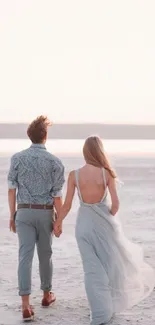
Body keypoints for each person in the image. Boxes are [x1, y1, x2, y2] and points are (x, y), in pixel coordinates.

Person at [54, 135, 155, 325]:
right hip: (104, 227)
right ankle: (108, 308)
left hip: (83, 227)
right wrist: (106, 214)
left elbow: (66, 205)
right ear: (100, 152)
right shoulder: (106, 173)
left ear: (85, 152)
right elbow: (116, 205)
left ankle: (98, 312)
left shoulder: (74, 175)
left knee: (91, 270)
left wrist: (58, 222)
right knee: (110, 266)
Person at [8, 116, 65, 321]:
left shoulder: (16, 158)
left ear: (29, 136)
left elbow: (11, 190)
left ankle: (25, 304)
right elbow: (57, 196)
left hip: (23, 211)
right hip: (45, 212)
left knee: (25, 256)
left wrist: (12, 214)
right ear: (45, 136)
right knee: (45, 255)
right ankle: (46, 295)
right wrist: (59, 221)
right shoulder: (55, 162)